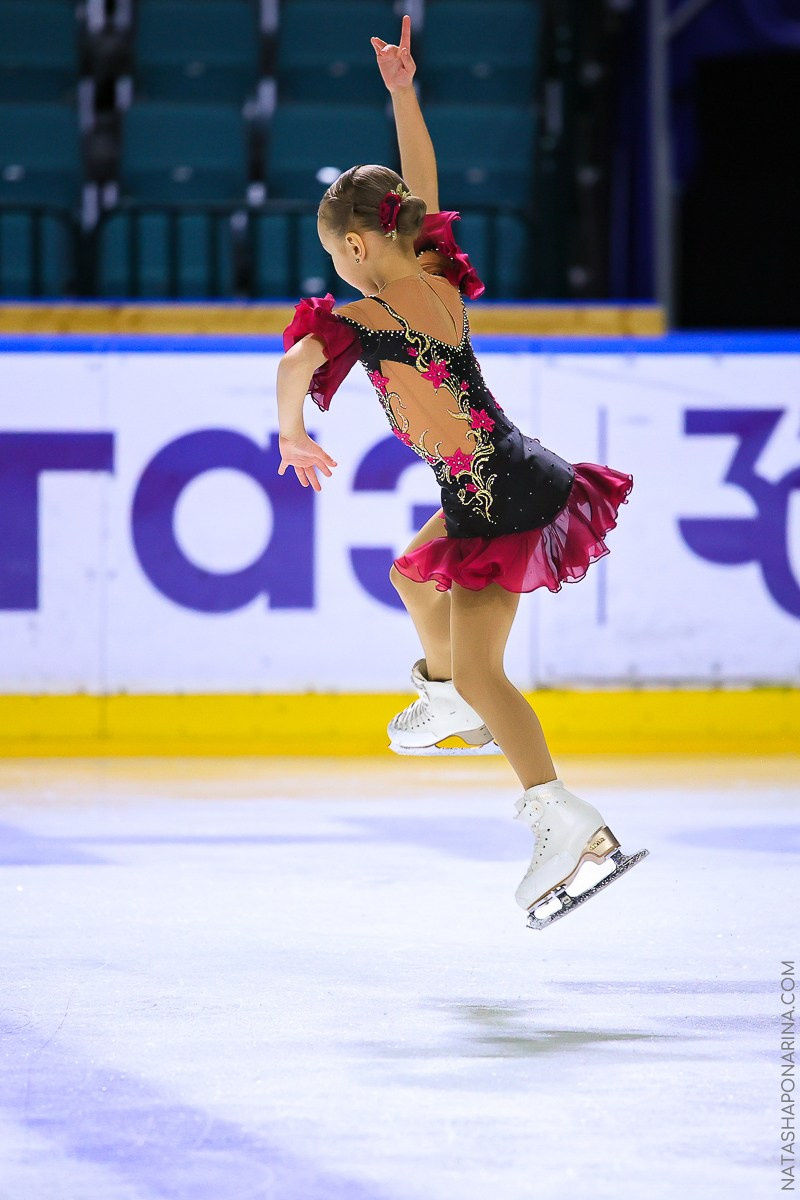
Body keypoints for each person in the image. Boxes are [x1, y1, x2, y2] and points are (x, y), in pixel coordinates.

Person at [276, 16, 648, 929]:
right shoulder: (431, 270)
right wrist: (403, 95)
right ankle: (446, 702)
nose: (338, 269)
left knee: (486, 671)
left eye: (336, 255)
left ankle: (561, 817)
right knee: (409, 572)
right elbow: (421, 191)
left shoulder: (367, 316)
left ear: (357, 248)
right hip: (497, 479)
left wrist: (291, 433)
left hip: (501, 493)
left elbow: (291, 365)